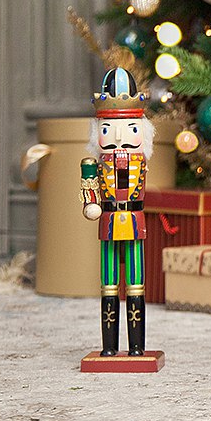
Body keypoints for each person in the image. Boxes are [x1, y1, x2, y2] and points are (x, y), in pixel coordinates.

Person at [80, 66, 156, 357]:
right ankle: (109, 347)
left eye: (131, 129)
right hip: (109, 221)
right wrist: (90, 203)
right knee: (109, 285)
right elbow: (89, 191)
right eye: (109, 129)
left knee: (136, 285)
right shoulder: (94, 164)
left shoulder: (141, 161)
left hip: (135, 220)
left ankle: (137, 347)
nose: (119, 137)